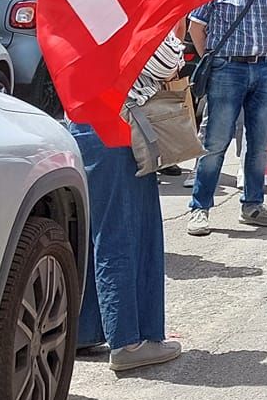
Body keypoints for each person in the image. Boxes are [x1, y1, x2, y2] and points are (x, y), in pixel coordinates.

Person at [70, 29, 187, 373]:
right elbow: (168, 61)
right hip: (119, 128)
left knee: (99, 232)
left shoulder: (83, 5)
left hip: (87, 122)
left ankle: (87, 329)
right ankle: (127, 341)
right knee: (124, 234)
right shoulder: (124, 9)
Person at [184, 0, 267, 236]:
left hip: (266, 68)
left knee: (260, 143)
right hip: (227, 68)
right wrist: (211, 57)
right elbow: (196, 25)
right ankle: (200, 208)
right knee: (215, 142)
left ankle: (253, 205)